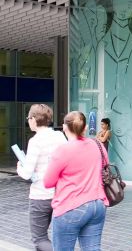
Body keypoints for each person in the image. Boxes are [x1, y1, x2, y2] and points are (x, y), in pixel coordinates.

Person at [43, 111, 109, 251]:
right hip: (97, 205)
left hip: (70, 207)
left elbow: (48, 182)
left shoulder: (62, 150)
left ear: (64, 127)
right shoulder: (98, 145)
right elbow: (105, 168)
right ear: (85, 128)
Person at [16, 104, 67, 251]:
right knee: (58, 236)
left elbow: (27, 173)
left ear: (33, 119)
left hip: (40, 195)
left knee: (39, 238)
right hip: (60, 194)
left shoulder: (35, 141)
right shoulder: (59, 136)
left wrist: (20, 165)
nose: (28, 121)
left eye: (28, 118)